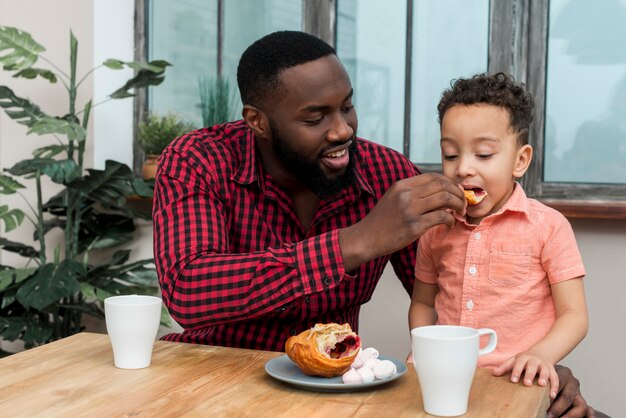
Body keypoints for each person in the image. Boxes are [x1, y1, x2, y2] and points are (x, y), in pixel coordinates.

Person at [153, 31, 597, 417]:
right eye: (315, 117)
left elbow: (456, 296)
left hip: (333, 392)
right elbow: (188, 290)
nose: (342, 130)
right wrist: (357, 241)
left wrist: (531, 361)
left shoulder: (387, 174)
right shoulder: (198, 161)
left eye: (347, 107)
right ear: (258, 122)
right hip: (210, 374)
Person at [408, 72, 590, 403]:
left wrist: (540, 355)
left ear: (520, 160)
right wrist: (423, 351)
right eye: (450, 155)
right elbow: (422, 302)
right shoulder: (436, 229)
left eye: (484, 154)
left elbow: (574, 315)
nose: (463, 168)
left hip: (517, 383)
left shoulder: (548, 227)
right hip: (445, 380)